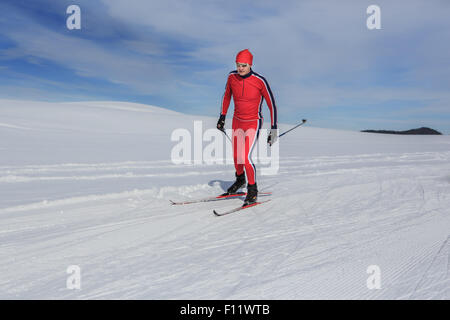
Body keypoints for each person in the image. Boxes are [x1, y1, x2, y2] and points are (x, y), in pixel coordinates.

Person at [217, 49, 278, 205]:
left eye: (243, 65)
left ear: (250, 64)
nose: (240, 68)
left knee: (245, 157)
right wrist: (222, 116)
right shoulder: (232, 77)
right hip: (237, 121)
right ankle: (240, 180)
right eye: (238, 65)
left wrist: (273, 128)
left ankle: (252, 189)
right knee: (236, 156)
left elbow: (272, 105)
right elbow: (226, 96)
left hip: (253, 122)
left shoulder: (260, 81)